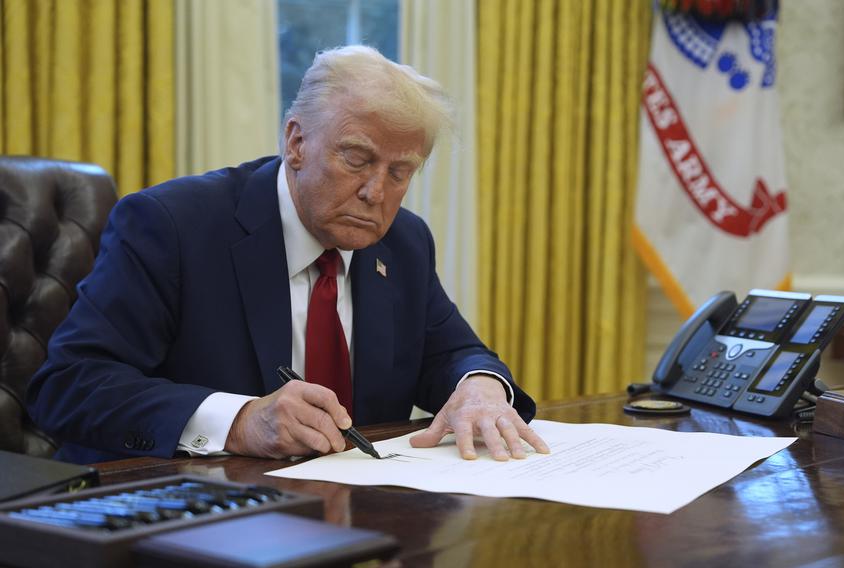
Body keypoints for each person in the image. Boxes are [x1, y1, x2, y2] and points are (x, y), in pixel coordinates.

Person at [27, 45, 549, 465]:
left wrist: (479, 387)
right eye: (357, 158)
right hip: (188, 515)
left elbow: (452, 352)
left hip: (361, 516)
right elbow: (70, 385)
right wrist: (241, 420)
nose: (376, 192)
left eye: (399, 172)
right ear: (296, 142)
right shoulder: (172, 225)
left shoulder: (403, 242)